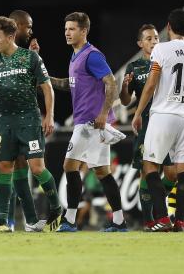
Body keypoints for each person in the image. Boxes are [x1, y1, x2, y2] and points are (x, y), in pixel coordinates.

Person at [0, 17, 58, 233]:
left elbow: (47, 87)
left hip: (29, 119)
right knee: (4, 166)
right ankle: (1, 222)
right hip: (4, 121)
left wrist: (50, 115)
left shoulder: (29, 57)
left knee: (36, 167)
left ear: (10, 37)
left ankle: (56, 207)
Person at [132, 9, 184, 232]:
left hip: (163, 115)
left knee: (149, 166)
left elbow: (151, 84)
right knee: (183, 170)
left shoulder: (161, 49)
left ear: (168, 27)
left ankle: (161, 218)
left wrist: (138, 113)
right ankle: (180, 221)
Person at [50, 12, 126, 232]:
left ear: (84, 31)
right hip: (87, 122)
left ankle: (70, 220)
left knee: (69, 166)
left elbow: (111, 82)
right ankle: (120, 222)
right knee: (103, 172)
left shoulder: (92, 55)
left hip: (90, 123)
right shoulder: (75, 56)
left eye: (72, 29)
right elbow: (70, 84)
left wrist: (104, 113)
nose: (67, 33)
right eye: (66, 29)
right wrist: (46, 80)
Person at [119, 24, 176, 230]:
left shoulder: (167, 62)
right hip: (146, 126)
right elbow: (125, 101)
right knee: (146, 171)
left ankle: (156, 203)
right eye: (149, 38)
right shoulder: (134, 68)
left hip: (168, 123)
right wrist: (125, 86)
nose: (153, 41)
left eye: (155, 38)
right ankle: (149, 220)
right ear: (140, 43)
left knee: (172, 174)